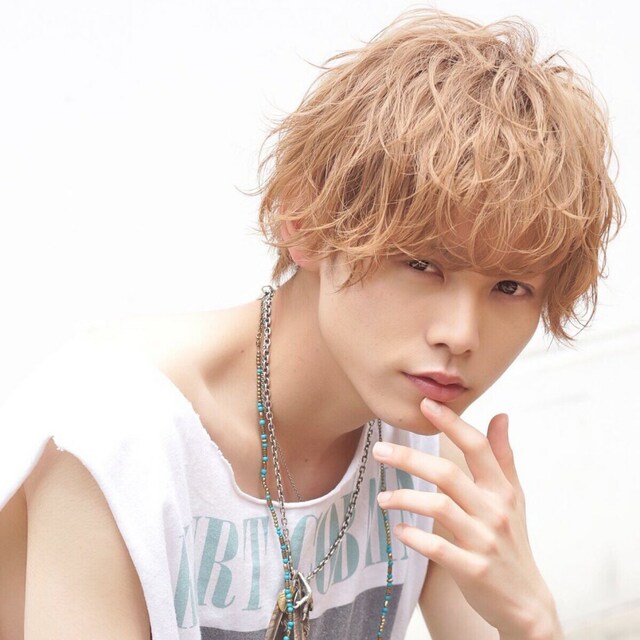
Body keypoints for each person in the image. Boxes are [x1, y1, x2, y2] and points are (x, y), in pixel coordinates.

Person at [0, 7, 624, 640]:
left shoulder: (428, 462)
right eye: (422, 264)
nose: (461, 334)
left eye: (510, 287)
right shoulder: (117, 436)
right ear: (305, 224)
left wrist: (532, 619)